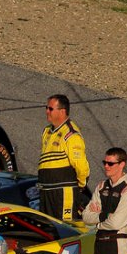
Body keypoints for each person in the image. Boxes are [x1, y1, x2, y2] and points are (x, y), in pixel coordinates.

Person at [81, 147, 127, 254]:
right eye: (104, 163)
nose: (106, 166)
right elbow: (86, 216)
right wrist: (106, 216)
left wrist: (97, 221)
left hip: (117, 244)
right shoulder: (102, 186)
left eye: (110, 163)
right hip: (99, 242)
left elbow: (116, 223)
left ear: (122, 165)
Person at [38, 94, 90, 222]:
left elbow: (81, 167)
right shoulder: (47, 131)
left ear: (62, 111)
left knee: (65, 228)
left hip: (63, 193)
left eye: (50, 109)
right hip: (46, 192)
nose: (47, 111)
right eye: (46, 108)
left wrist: (80, 186)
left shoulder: (71, 134)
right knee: (48, 228)